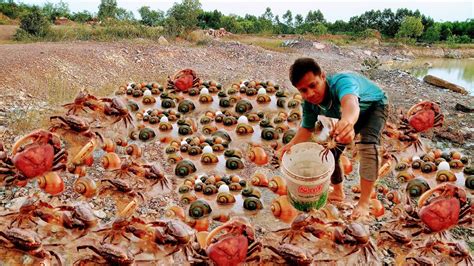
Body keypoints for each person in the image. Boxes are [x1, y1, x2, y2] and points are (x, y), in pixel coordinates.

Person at [279, 57, 389, 219]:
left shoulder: (342, 82)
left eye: (312, 85)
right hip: (345, 116)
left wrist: (348, 122)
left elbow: (351, 103)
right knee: (328, 150)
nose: (309, 94)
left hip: (374, 106)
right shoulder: (308, 103)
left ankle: (364, 202)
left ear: (322, 76)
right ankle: (338, 192)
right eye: (303, 90)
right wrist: (291, 145)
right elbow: (307, 128)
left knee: (368, 147)